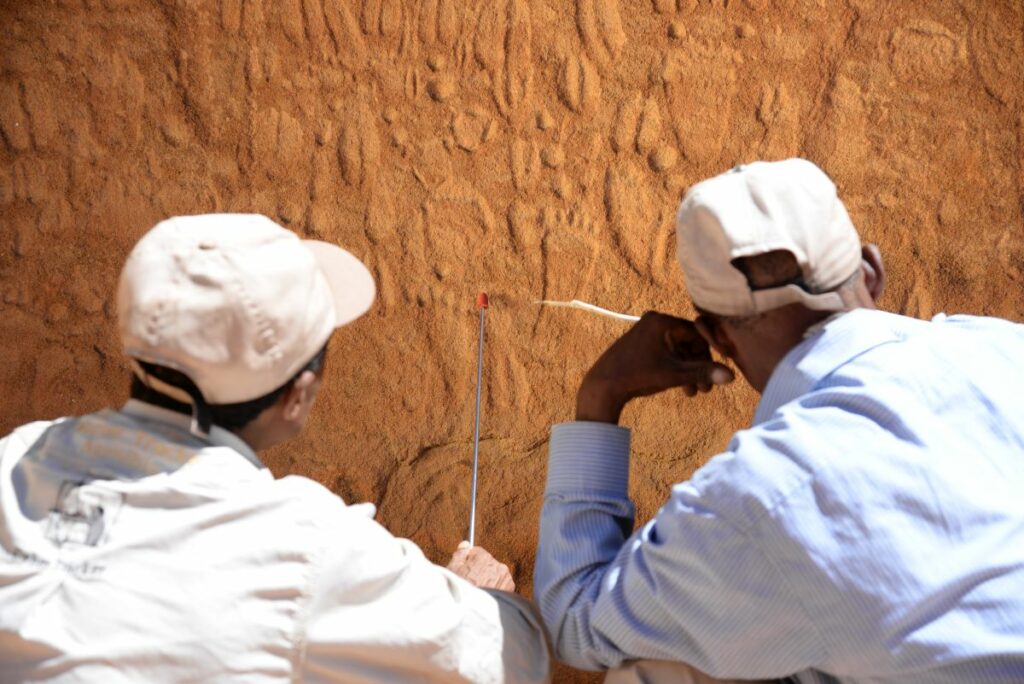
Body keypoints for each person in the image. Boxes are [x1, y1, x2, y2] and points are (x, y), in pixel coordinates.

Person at [0, 214, 551, 682]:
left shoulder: (18, 458)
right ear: (298, 396)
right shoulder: (305, 543)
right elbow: (514, 655)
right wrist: (471, 596)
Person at [533, 158, 1024, 683]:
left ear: (716, 340)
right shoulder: (1001, 347)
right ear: (872, 272)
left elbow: (575, 619)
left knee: (656, 669)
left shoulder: (758, 494)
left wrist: (600, 396)